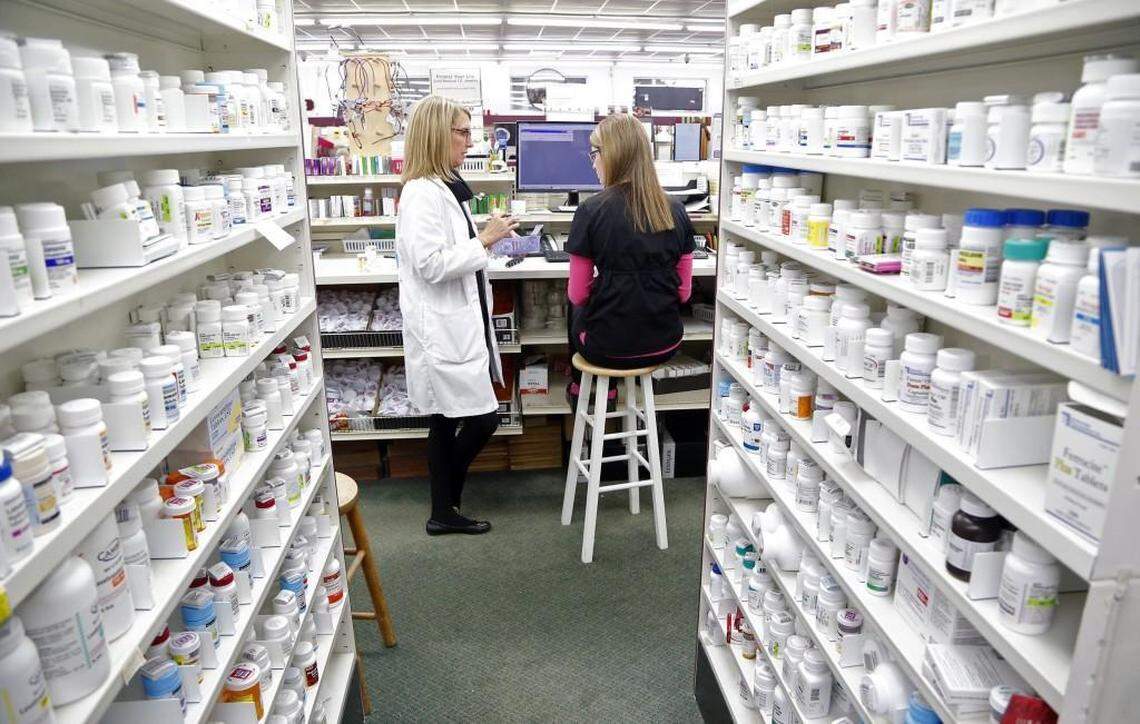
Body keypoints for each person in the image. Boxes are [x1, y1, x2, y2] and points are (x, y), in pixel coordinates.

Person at [396, 95, 518, 535]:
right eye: (462, 132)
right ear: (436, 135)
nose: (471, 141)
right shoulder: (419, 194)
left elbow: (453, 249)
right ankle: (447, 496)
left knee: (445, 421)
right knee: (478, 418)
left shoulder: (445, 184)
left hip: (459, 322)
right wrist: (484, 241)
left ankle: (442, 509)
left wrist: (485, 236)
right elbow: (430, 264)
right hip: (441, 329)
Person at [565, 113, 696, 404]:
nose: (593, 162)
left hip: (606, 349)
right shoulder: (676, 210)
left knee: (574, 308)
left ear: (612, 155)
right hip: (665, 343)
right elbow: (684, 293)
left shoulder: (590, 211)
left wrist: (608, 284)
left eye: (595, 153)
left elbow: (577, 294)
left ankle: (589, 390)